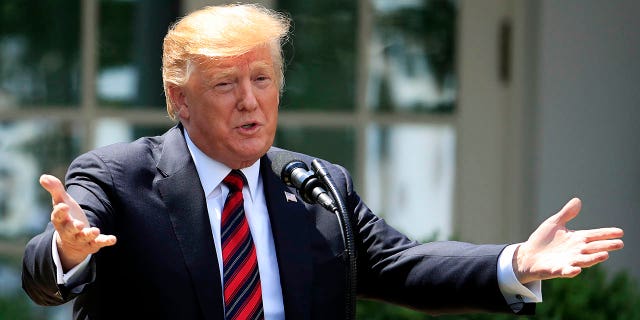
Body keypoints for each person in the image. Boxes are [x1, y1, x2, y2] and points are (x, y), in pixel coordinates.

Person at [22, 3, 624, 320]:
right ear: (180, 98)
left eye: (262, 78)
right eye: (226, 84)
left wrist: (517, 260)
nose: (250, 99)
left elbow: (401, 264)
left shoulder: (313, 185)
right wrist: (68, 250)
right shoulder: (117, 177)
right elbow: (46, 270)